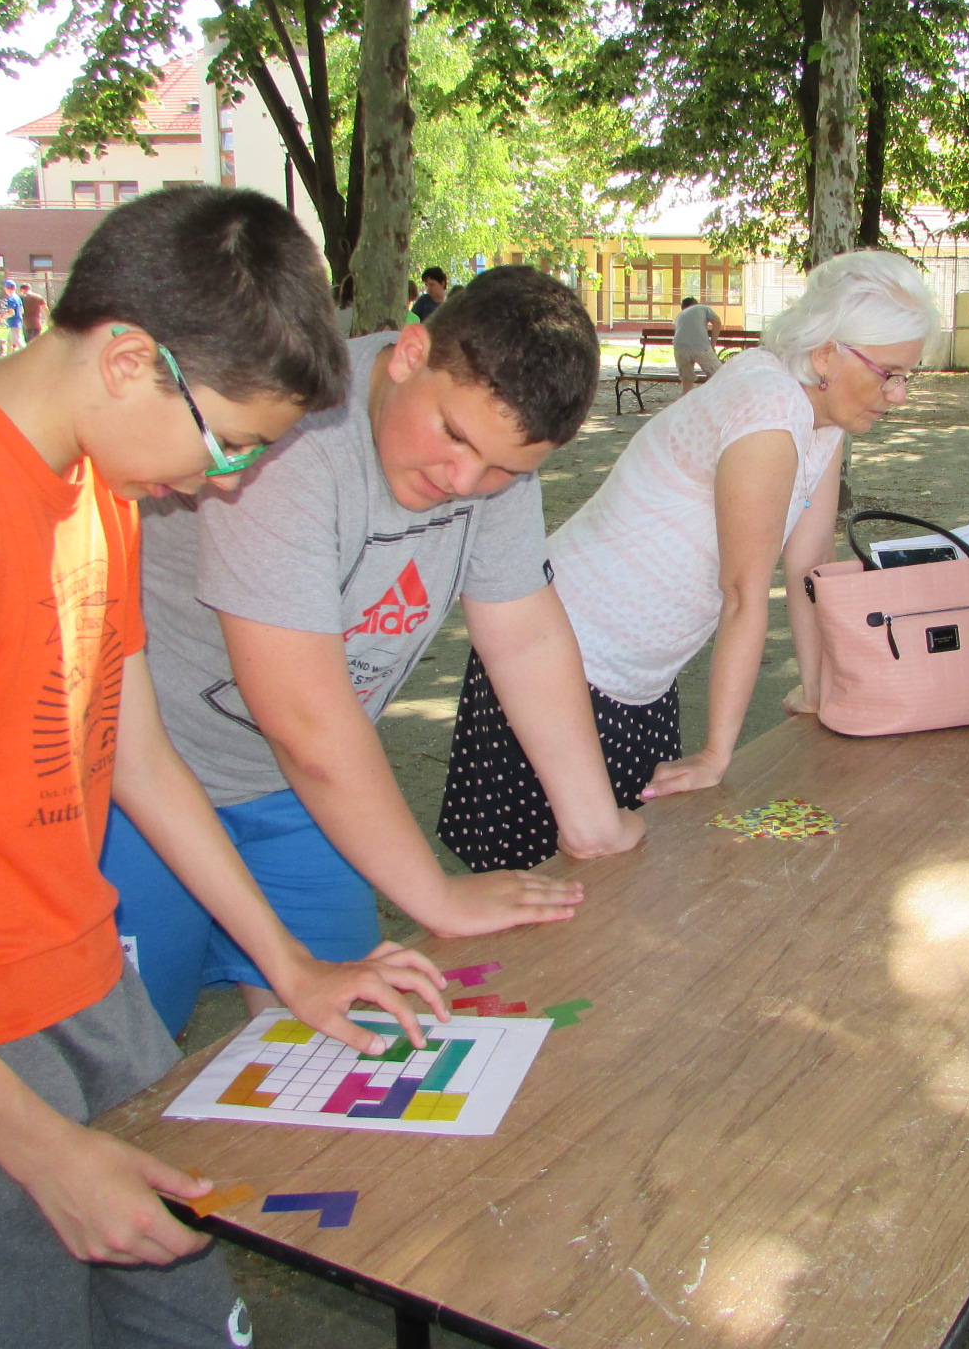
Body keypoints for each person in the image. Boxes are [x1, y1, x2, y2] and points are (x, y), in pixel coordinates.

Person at [0, 186, 451, 1349]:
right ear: (132, 360)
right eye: (229, 442)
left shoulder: (92, 484)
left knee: (191, 1333)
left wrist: (289, 967)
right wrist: (43, 1151)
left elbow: (136, 755)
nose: (226, 481)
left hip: (84, 998)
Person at [102, 265, 645, 1037]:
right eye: (453, 436)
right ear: (410, 353)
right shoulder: (299, 432)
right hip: (144, 784)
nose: (464, 479)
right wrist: (435, 896)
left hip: (301, 794)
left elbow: (524, 636)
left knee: (343, 1042)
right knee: (133, 1056)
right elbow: (302, 715)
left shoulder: (494, 462)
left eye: (504, 469)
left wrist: (593, 823)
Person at [435, 248, 939, 871]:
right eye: (889, 373)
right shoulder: (768, 409)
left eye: (908, 375)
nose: (899, 395)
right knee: (541, 885)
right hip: (561, 659)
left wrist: (819, 690)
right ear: (826, 353)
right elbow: (743, 593)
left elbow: (810, 564)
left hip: (642, 679)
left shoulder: (824, 416)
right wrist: (716, 754)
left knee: (627, 883)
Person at [671, 294, 722, 391]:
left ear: (683, 307)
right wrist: (713, 343)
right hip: (700, 347)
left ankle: (686, 399)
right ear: (695, 304)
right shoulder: (703, 308)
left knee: (687, 381)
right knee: (719, 374)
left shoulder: (679, 316)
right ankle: (717, 398)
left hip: (680, 348)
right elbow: (717, 322)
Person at [0, 279, 25, 357]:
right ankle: (8, 358)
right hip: (18, 321)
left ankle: (29, 355)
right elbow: (22, 310)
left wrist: (2, 317)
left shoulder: (11, 299)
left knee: (16, 340)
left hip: (13, 323)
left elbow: (11, 313)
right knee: (9, 342)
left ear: (6, 288)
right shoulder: (17, 298)